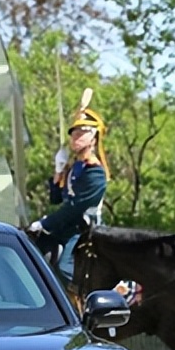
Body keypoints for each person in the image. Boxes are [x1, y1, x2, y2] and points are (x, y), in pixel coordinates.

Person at [27, 101, 107, 282]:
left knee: (65, 267)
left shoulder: (95, 172)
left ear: (93, 139)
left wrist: (46, 223)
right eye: (74, 134)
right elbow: (56, 198)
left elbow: (76, 207)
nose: (75, 137)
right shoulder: (75, 167)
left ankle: (85, 300)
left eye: (81, 134)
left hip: (84, 229)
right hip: (66, 227)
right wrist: (58, 170)